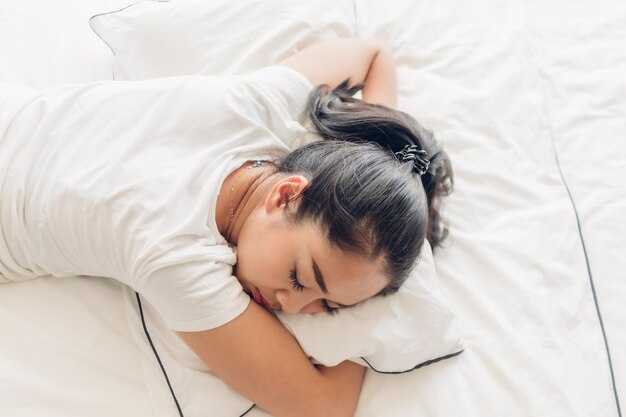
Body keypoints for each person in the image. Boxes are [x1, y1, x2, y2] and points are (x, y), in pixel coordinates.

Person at [0, 38, 453, 417]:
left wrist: (378, 169)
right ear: (285, 195)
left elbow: (371, 56)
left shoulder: (255, 104)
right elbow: (324, 406)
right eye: (300, 277)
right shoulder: (177, 257)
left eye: (328, 307)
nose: (293, 307)